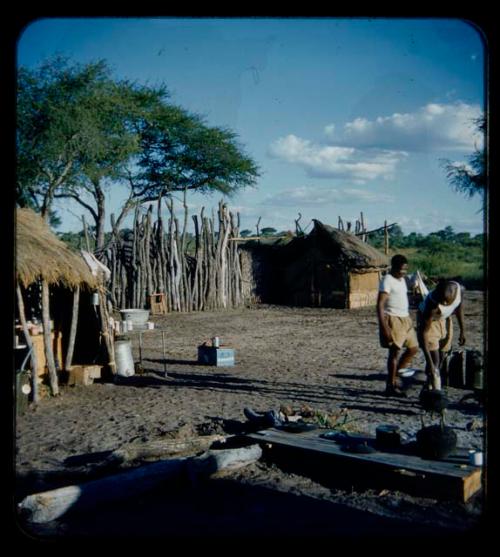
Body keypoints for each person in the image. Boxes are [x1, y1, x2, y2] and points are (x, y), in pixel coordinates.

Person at [377, 254, 419, 397]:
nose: (404, 272)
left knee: (413, 348)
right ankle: (390, 386)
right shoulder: (387, 280)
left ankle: (396, 375)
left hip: (405, 318)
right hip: (393, 319)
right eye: (401, 270)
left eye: (406, 270)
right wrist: (384, 327)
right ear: (394, 267)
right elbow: (380, 305)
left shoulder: (402, 280)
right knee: (395, 352)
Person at [417, 279, 466, 391]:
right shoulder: (431, 305)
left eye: (446, 301)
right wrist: (429, 361)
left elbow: (459, 309)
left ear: (452, 294)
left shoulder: (460, 289)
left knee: (443, 353)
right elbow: (423, 334)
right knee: (434, 359)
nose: (443, 304)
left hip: (445, 318)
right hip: (430, 322)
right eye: (441, 301)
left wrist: (463, 331)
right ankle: (432, 388)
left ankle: (432, 377)